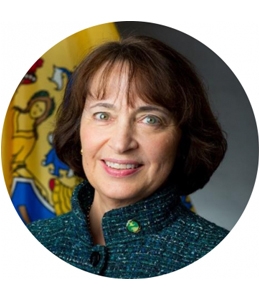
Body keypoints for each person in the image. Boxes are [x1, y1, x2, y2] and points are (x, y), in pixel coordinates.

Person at [28, 35, 229, 279]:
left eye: (150, 119)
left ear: (183, 140)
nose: (121, 143)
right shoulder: (30, 242)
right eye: (103, 115)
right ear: (77, 130)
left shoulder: (221, 260)